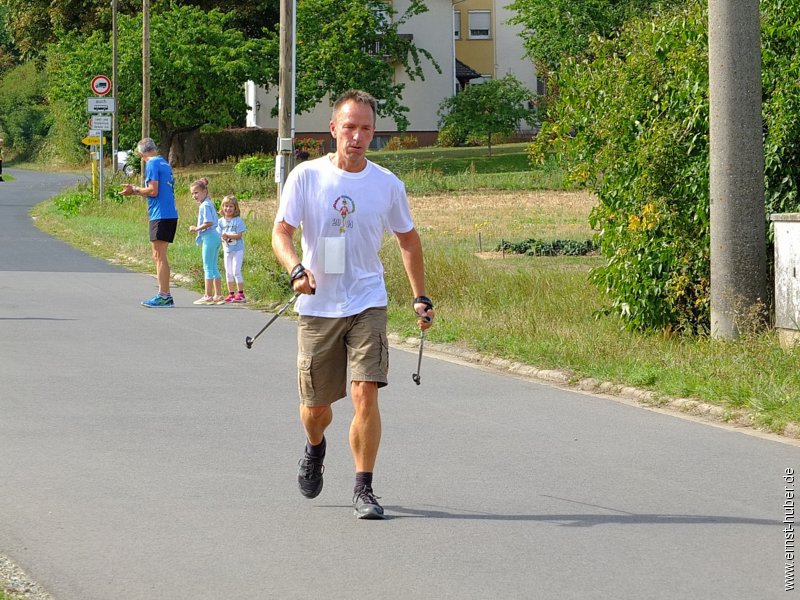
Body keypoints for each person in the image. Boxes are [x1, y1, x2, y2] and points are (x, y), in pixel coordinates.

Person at [271, 89, 434, 520]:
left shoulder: (387, 184)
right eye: (349, 127)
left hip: (366, 300)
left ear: (373, 133)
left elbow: (408, 240)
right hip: (317, 304)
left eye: (365, 128)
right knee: (315, 410)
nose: (357, 136)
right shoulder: (306, 177)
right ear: (332, 129)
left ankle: (364, 488)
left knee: (365, 393)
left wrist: (419, 296)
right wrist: (294, 269)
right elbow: (281, 232)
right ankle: (315, 446)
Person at [120, 138, 179, 307]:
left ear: (141, 154)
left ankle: (164, 295)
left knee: (159, 256)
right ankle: (165, 293)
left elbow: (153, 191)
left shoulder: (152, 164)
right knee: (159, 255)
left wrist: (135, 190)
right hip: (168, 213)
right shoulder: (163, 163)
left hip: (161, 213)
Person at [187, 178, 223, 305]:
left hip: (209, 237)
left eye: (196, 193)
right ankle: (217, 295)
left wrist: (196, 228)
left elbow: (209, 222)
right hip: (215, 236)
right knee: (213, 266)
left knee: (207, 266)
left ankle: (208, 295)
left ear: (205, 191)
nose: (194, 196)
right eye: (192, 193)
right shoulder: (209, 203)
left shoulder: (204, 205)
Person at [217, 195, 247, 303]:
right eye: (226, 206)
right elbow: (218, 233)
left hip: (237, 249)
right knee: (228, 272)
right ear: (222, 207)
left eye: (231, 206)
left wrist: (228, 236)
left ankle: (241, 293)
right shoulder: (220, 221)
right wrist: (222, 236)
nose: (228, 209)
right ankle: (231, 294)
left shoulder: (238, 221)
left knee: (236, 271)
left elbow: (239, 235)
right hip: (227, 249)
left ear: (235, 208)